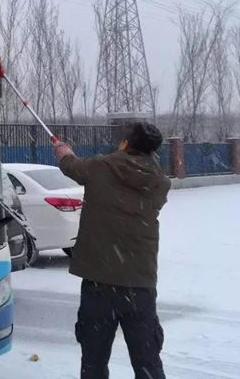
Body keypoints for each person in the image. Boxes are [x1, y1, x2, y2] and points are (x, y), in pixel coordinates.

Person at [53, 122, 171, 379]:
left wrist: (63, 152)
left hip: (99, 282)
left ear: (125, 144)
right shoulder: (160, 181)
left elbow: (71, 166)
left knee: (93, 361)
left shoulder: (101, 167)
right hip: (140, 283)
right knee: (148, 362)